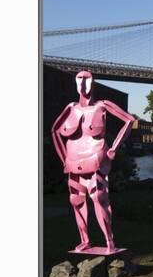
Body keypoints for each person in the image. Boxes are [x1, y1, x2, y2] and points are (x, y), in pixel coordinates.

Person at [51, 70, 135, 253]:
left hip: (95, 160)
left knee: (99, 198)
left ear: (93, 82)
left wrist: (114, 147)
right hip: (74, 163)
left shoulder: (102, 106)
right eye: (79, 79)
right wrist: (63, 157)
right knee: (76, 200)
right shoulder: (71, 108)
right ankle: (85, 240)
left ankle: (109, 241)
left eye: (86, 79)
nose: (82, 83)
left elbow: (129, 121)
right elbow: (55, 131)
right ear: (75, 82)